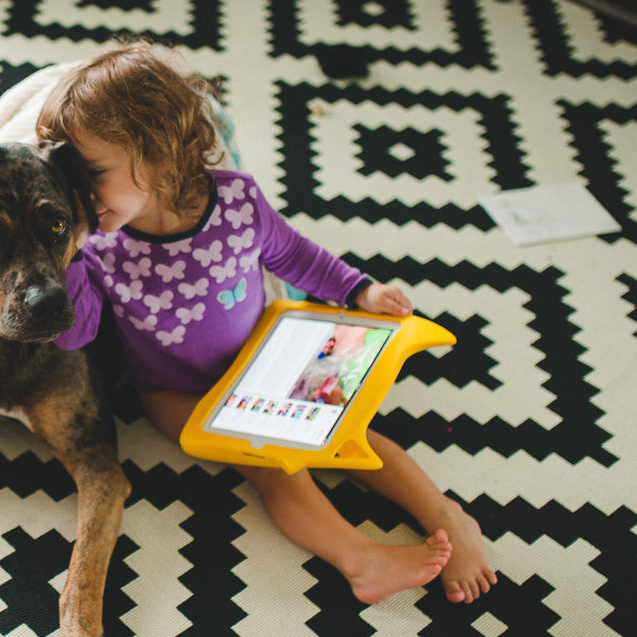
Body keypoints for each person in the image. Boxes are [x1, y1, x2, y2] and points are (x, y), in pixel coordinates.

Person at [36, 43, 497, 604]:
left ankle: (449, 516)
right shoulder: (98, 245)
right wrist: (68, 257)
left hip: (266, 356)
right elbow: (76, 334)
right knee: (274, 466)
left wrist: (361, 290)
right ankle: (360, 559)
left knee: (354, 440)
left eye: (93, 173)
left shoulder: (236, 202)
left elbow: (294, 256)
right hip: (176, 393)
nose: (78, 193)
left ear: (156, 154)